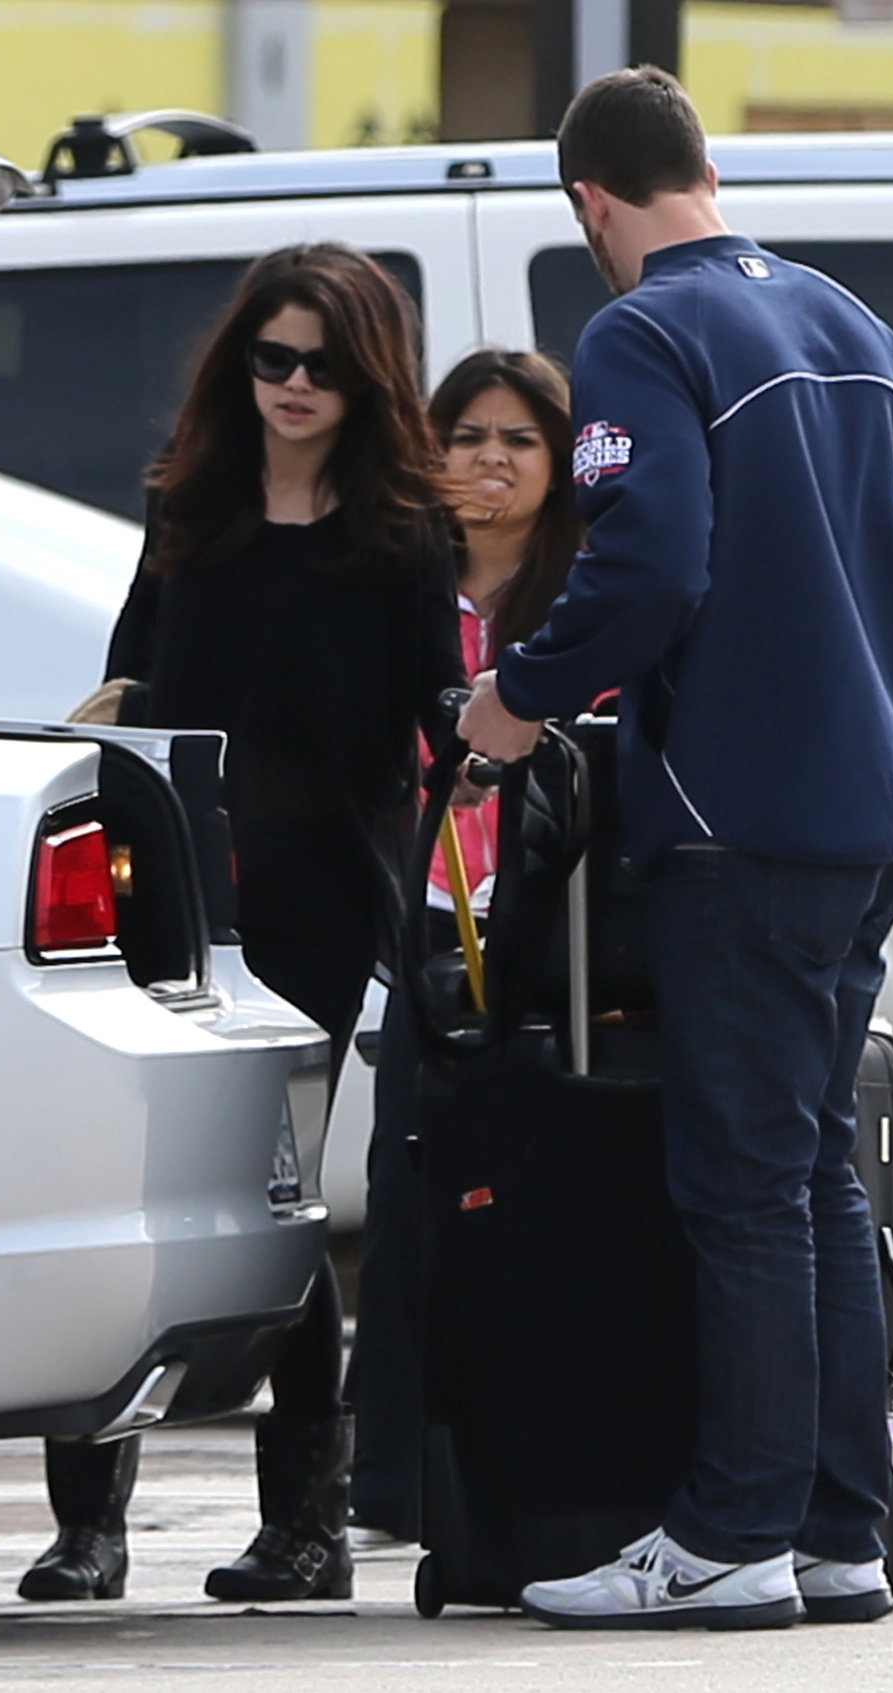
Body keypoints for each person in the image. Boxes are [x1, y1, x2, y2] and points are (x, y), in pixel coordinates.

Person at [455, 67, 893, 1631]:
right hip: (879, 809)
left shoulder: (642, 330)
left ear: (590, 202)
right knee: (808, 1168)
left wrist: (520, 698)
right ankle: (834, 1530)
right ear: (704, 170)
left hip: (744, 818)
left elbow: (652, 555)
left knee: (742, 1181)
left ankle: (732, 1531)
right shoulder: (848, 321)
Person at [23, 242, 465, 1606]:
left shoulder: (397, 532)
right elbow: (126, 682)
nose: (292, 385)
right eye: (271, 358)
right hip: (173, 887)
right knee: (119, 1190)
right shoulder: (191, 500)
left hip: (318, 895)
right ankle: (89, 1523)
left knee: (271, 1200)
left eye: (322, 366)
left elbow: (439, 729)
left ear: (366, 378)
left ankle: (306, 1524)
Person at [345, 347, 582, 1546]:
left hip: (558, 938)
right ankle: (387, 1476)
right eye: (466, 436)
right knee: (407, 1195)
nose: (488, 460)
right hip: (425, 928)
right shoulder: (391, 584)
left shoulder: (586, 595)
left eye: (519, 440)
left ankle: (547, 1456)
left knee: (543, 1197)